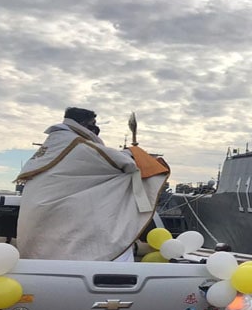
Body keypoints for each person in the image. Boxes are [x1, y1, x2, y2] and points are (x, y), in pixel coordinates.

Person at [15, 107, 169, 261]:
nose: (96, 129)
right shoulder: (75, 144)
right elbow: (123, 163)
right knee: (123, 178)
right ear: (82, 123)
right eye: (92, 124)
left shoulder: (55, 143)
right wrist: (135, 152)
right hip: (61, 211)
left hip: (40, 216)